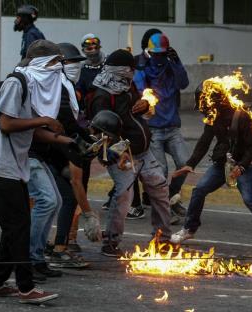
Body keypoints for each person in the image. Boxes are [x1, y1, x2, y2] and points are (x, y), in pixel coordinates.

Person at [170, 79, 252, 253]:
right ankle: (189, 229)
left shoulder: (242, 116)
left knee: (249, 199)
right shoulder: (213, 118)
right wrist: (190, 164)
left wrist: (242, 167)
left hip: (245, 163)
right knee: (199, 190)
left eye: (205, 105)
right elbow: (204, 142)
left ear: (214, 101)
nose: (203, 110)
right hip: (222, 163)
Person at [0, 40, 61, 303]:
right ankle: (26, 288)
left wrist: (60, 139)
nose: (58, 68)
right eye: (55, 62)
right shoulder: (15, 82)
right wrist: (43, 120)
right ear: (42, 63)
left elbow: (29, 127)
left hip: (14, 168)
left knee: (15, 228)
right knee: (18, 227)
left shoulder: (33, 87)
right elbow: (7, 124)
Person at [89, 49, 172, 257]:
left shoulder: (126, 86)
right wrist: (118, 153)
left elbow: (135, 109)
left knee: (160, 189)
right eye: (130, 69)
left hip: (144, 152)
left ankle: (162, 239)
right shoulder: (102, 95)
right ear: (121, 70)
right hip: (122, 154)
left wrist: (144, 105)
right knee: (124, 196)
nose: (133, 73)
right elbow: (100, 131)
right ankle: (111, 241)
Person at [46, 42, 100, 269]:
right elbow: (66, 121)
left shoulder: (67, 85)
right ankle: (53, 249)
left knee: (56, 200)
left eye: (78, 62)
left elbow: (73, 121)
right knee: (56, 199)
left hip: (59, 147)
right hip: (49, 148)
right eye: (70, 62)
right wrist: (84, 139)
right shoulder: (57, 86)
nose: (75, 66)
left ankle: (52, 246)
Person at [133, 33, 190, 219]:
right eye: (155, 54)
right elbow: (140, 89)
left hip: (172, 127)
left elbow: (184, 83)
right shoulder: (143, 68)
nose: (158, 57)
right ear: (149, 52)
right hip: (154, 129)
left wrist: (177, 62)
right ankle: (165, 209)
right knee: (161, 171)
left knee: (185, 164)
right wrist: (142, 64)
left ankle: (172, 197)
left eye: (162, 54)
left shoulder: (171, 66)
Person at [68, 33, 106, 251]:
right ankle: (66, 240)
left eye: (94, 46)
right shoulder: (70, 82)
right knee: (72, 189)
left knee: (81, 185)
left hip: (91, 131)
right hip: (74, 136)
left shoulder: (107, 67)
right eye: (87, 47)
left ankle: (69, 239)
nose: (91, 50)